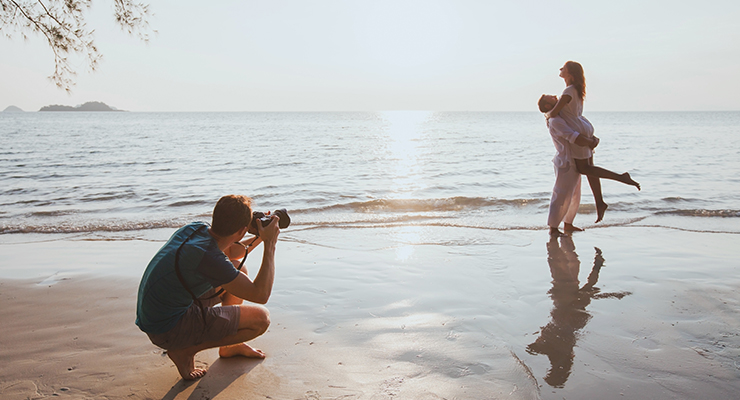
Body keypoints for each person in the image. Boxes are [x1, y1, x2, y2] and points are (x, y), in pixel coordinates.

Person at [135, 194, 280, 380]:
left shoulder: (196, 229)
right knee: (261, 320)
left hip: (156, 314)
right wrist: (270, 244)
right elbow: (261, 294)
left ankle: (230, 346)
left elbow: (230, 251)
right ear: (243, 231)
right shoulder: (208, 258)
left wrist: (260, 236)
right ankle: (185, 351)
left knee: (238, 267)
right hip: (166, 328)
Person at [547, 61, 640, 223]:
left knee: (584, 168)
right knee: (590, 170)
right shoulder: (576, 89)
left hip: (578, 130)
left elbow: (553, 113)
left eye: (563, 68)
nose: (560, 69)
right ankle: (599, 202)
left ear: (570, 73)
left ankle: (621, 177)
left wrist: (547, 116)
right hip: (584, 126)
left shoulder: (568, 91)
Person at [539, 94, 599, 236]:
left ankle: (568, 224)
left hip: (574, 159)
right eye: (551, 98)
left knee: (575, 195)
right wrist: (591, 142)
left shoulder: (562, 117)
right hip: (565, 162)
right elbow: (574, 138)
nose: (555, 96)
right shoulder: (555, 121)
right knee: (561, 195)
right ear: (548, 106)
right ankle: (553, 228)